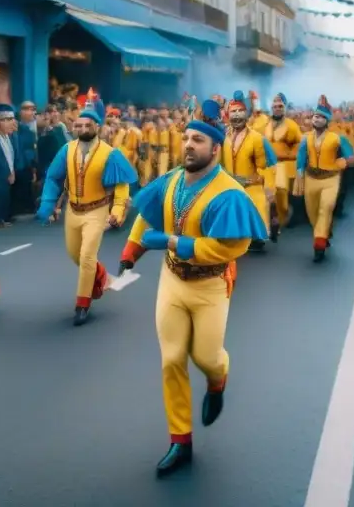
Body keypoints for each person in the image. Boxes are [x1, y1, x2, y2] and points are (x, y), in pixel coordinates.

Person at [118, 99, 266, 476]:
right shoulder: (170, 179)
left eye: (197, 140)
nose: (188, 145)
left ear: (215, 149)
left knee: (206, 357)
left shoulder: (229, 193)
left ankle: (218, 379)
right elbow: (148, 216)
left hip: (211, 286)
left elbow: (234, 247)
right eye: (186, 138)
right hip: (171, 281)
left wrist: (172, 243)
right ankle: (179, 440)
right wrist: (130, 252)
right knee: (171, 360)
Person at [36, 97, 137, 326]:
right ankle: (100, 277)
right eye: (78, 125)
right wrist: (47, 204)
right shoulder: (66, 149)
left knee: (87, 256)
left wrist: (119, 210)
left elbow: (122, 186)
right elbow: (53, 177)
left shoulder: (110, 153)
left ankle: (82, 303)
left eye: (87, 125)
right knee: (75, 255)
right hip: (72, 211)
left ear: (97, 127)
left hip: (97, 210)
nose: (82, 129)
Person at [294, 96, 354, 263]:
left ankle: (319, 244)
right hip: (311, 177)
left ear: (326, 120)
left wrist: (341, 162)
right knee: (312, 213)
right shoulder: (306, 138)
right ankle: (324, 232)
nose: (317, 119)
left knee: (325, 208)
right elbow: (301, 157)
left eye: (321, 117)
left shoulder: (337, 138)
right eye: (315, 116)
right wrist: (299, 174)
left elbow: (352, 157)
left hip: (330, 178)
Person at [220, 91, 277, 252]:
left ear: (246, 114)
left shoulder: (257, 138)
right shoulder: (223, 136)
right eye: (233, 111)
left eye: (240, 111)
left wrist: (268, 186)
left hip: (252, 183)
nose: (237, 115)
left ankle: (258, 235)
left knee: (256, 208)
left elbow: (266, 165)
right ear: (228, 115)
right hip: (230, 184)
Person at [263, 92, 302, 242]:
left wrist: (289, 154)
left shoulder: (291, 125)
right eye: (275, 106)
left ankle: (281, 217)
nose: (277, 108)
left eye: (280, 106)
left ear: (284, 108)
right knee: (265, 195)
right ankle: (269, 224)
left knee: (280, 193)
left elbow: (299, 144)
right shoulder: (263, 124)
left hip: (281, 164)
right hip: (265, 164)